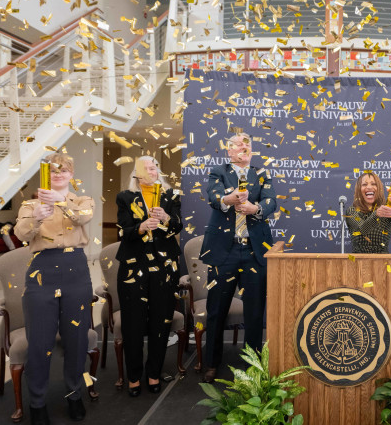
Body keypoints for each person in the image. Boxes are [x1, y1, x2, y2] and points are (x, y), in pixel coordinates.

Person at [14, 153, 95, 425]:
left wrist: (59, 202)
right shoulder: (29, 204)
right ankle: (37, 403)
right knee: (39, 343)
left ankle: (74, 396)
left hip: (76, 271)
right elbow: (21, 234)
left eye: (64, 170)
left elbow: (84, 218)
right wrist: (36, 217)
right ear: (46, 175)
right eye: (53, 171)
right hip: (42, 272)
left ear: (71, 174)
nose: (59, 174)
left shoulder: (82, 201)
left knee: (77, 339)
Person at [200, 132, 276, 383]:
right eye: (237, 145)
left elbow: (271, 202)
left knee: (254, 313)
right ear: (229, 151)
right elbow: (214, 197)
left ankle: (253, 366)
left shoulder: (261, 174)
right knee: (216, 310)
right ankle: (211, 362)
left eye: (247, 144)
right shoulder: (218, 171)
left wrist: (257, 209)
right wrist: (228, 199)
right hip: (225, 251)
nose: (243, 147)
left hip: (254, 250)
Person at [115, 156, 183, 397]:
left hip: (165, 266)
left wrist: (165, 217)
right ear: (136, 173)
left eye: (154, 167)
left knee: (161, 321)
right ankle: (133, 376)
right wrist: (141, 227)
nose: (152, 171)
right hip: (134, 266)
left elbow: (177, 227)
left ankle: (153, 372)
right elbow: (123, 230)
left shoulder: (171, 195)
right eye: (146, 168)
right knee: (133, 323)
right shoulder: (125, 197)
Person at [344, 172, 391, 253]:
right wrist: (376, 214)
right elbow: (363, 231)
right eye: (364, 184)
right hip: (358, 263)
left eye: (373, 184)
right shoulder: (351, 211)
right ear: (359, 190)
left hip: (383, 263)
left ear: (379, 188)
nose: (369, 187)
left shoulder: (386, 208)